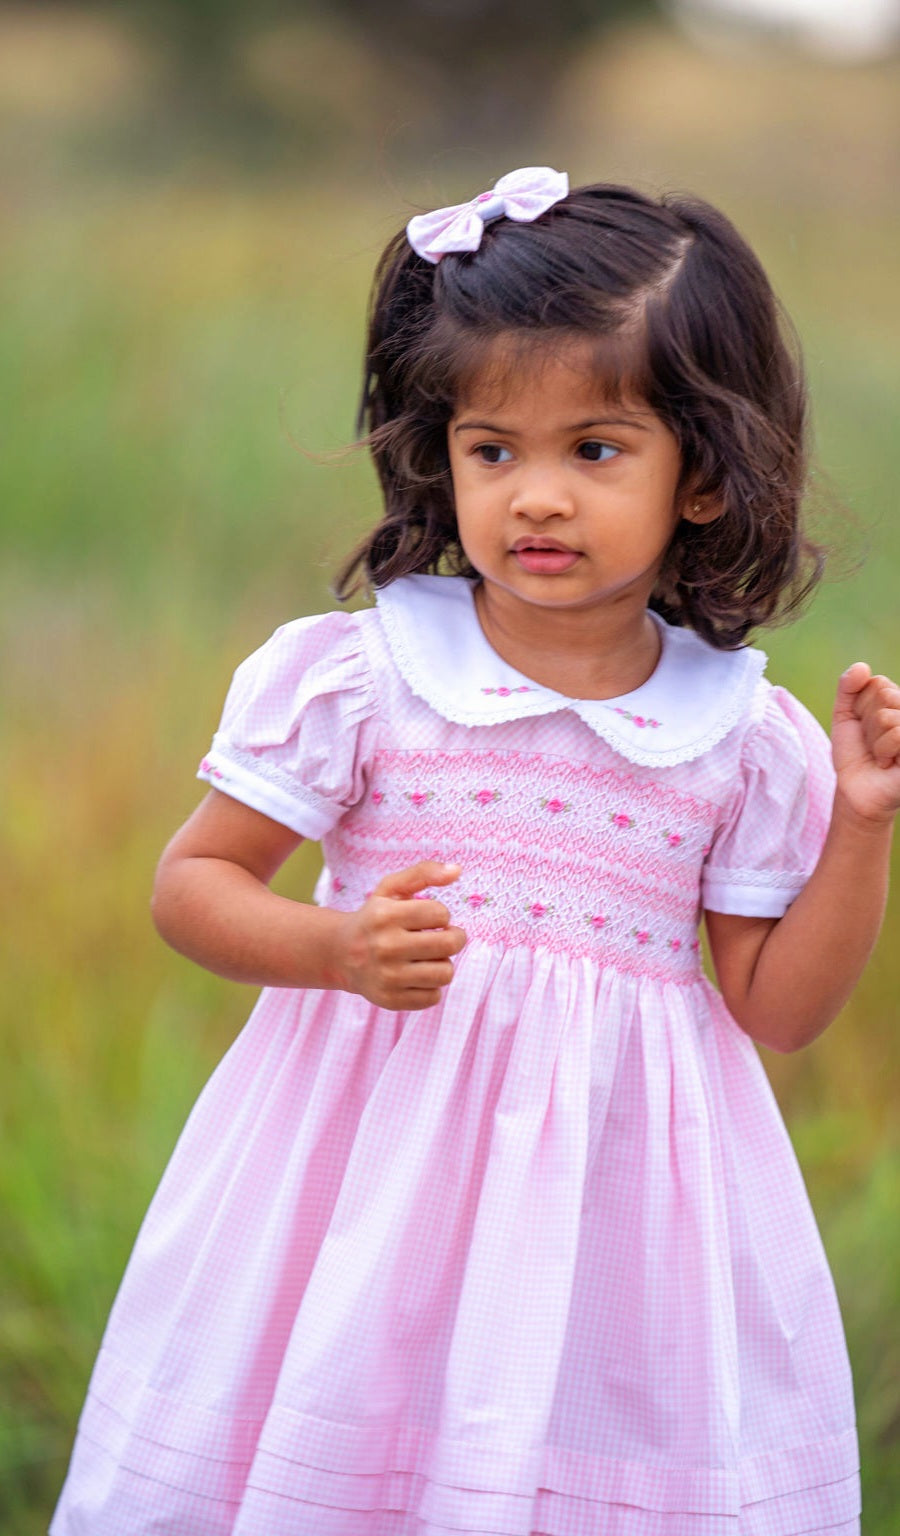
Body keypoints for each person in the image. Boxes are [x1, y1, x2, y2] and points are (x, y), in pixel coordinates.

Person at [52, 168, 900, 1536]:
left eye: (597, 449)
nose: (536, 498)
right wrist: (332, 948)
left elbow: (781, 1010)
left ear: (704, 473)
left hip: (610, 1223)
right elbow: (192, 887)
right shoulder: (367, 676)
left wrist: (861, 823)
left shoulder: (741, 736)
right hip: (355, 1186)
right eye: (493, 448)